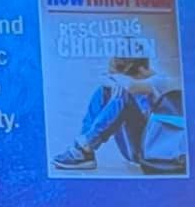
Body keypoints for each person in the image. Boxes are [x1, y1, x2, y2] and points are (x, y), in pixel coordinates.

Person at [52, 57, 180, 171]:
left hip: (149, 151)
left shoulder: (161, 81)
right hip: (132, 147)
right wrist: (112, 80)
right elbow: (104, 78)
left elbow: (130, 87)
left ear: (141, 70)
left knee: (123, 94)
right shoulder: (137, 76)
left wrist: (113, 80)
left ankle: (86, 145)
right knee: (104, 90)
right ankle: (84, 150)